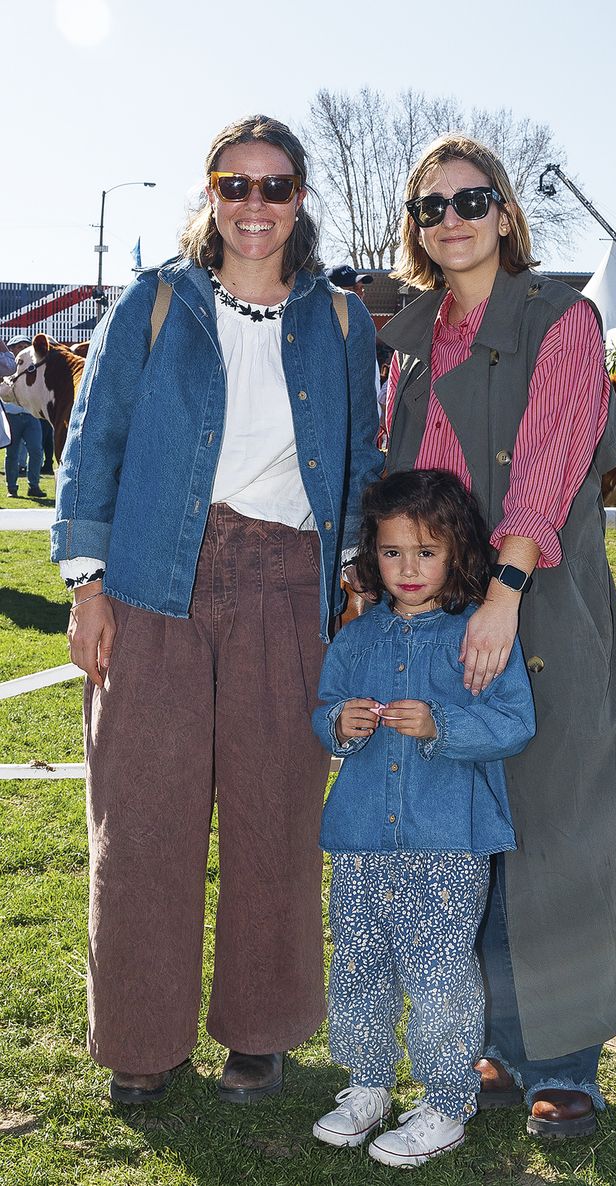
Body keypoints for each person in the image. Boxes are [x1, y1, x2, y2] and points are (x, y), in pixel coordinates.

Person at [51, 115, 381, 1106]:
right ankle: (142, 1045)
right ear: (209, 194)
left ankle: (261, 1029)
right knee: (143, 818)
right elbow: (94, 439)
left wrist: (355, 571)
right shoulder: (154, 303)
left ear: (300, 200)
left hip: (288, 587)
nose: (253, 206)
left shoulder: (338, 319)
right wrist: (86, 581)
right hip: (156, 580)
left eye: (274, 187)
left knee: (276, 814)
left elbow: (361, 459)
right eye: (233, 186)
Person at [378, 134, 616, 1140]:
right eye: (431, 206)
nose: (451, 218)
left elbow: (548, 465)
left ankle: (565, 1061)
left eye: (471, 199)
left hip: (536, 610)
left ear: (505, 212)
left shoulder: (565, 320)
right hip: (440, 617)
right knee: (475, 847)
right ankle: (498, 1041)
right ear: (414, 228)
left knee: (556, 832)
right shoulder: (411, 340)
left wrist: (502, 594)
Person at [312, 469, 535, 1166]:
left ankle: (444, 1101)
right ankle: (368, 1083)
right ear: (371, 555)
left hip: (448, 842)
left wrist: (444, 725)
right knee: (357, 964)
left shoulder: (479, 635)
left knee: (440, 972)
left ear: (457, 553)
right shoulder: (354, 639)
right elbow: (324, 713)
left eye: (426, 552)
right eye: (391, 552)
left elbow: (513, 723)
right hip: (359, 842)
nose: (408, 569)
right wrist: (339, 726)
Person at [2, 338, 45, 498]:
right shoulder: (7, 368)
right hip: (12, 416)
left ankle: (33, 486)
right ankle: (11, 488)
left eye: (26, 346)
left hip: (31, 415)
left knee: (36, 451)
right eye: (19, 346)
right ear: (12, 349)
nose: (23, 349)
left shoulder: (35, 368)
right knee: (12, 453)